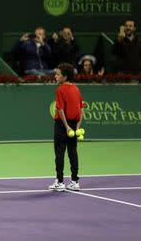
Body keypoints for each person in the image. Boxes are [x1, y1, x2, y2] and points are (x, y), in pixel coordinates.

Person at [49, 63, 85, 192]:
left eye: (58, 74)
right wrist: (76, 127)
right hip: (74, 125)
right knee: (72, 152)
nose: (55, 76)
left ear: (65, 76)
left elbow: (61, 110)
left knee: (59, 152)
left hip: (62, 125)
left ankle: (60, 182)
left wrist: (67, 127)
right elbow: (81, 110)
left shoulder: (60, 89)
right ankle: (75, 181)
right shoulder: (76, 89)